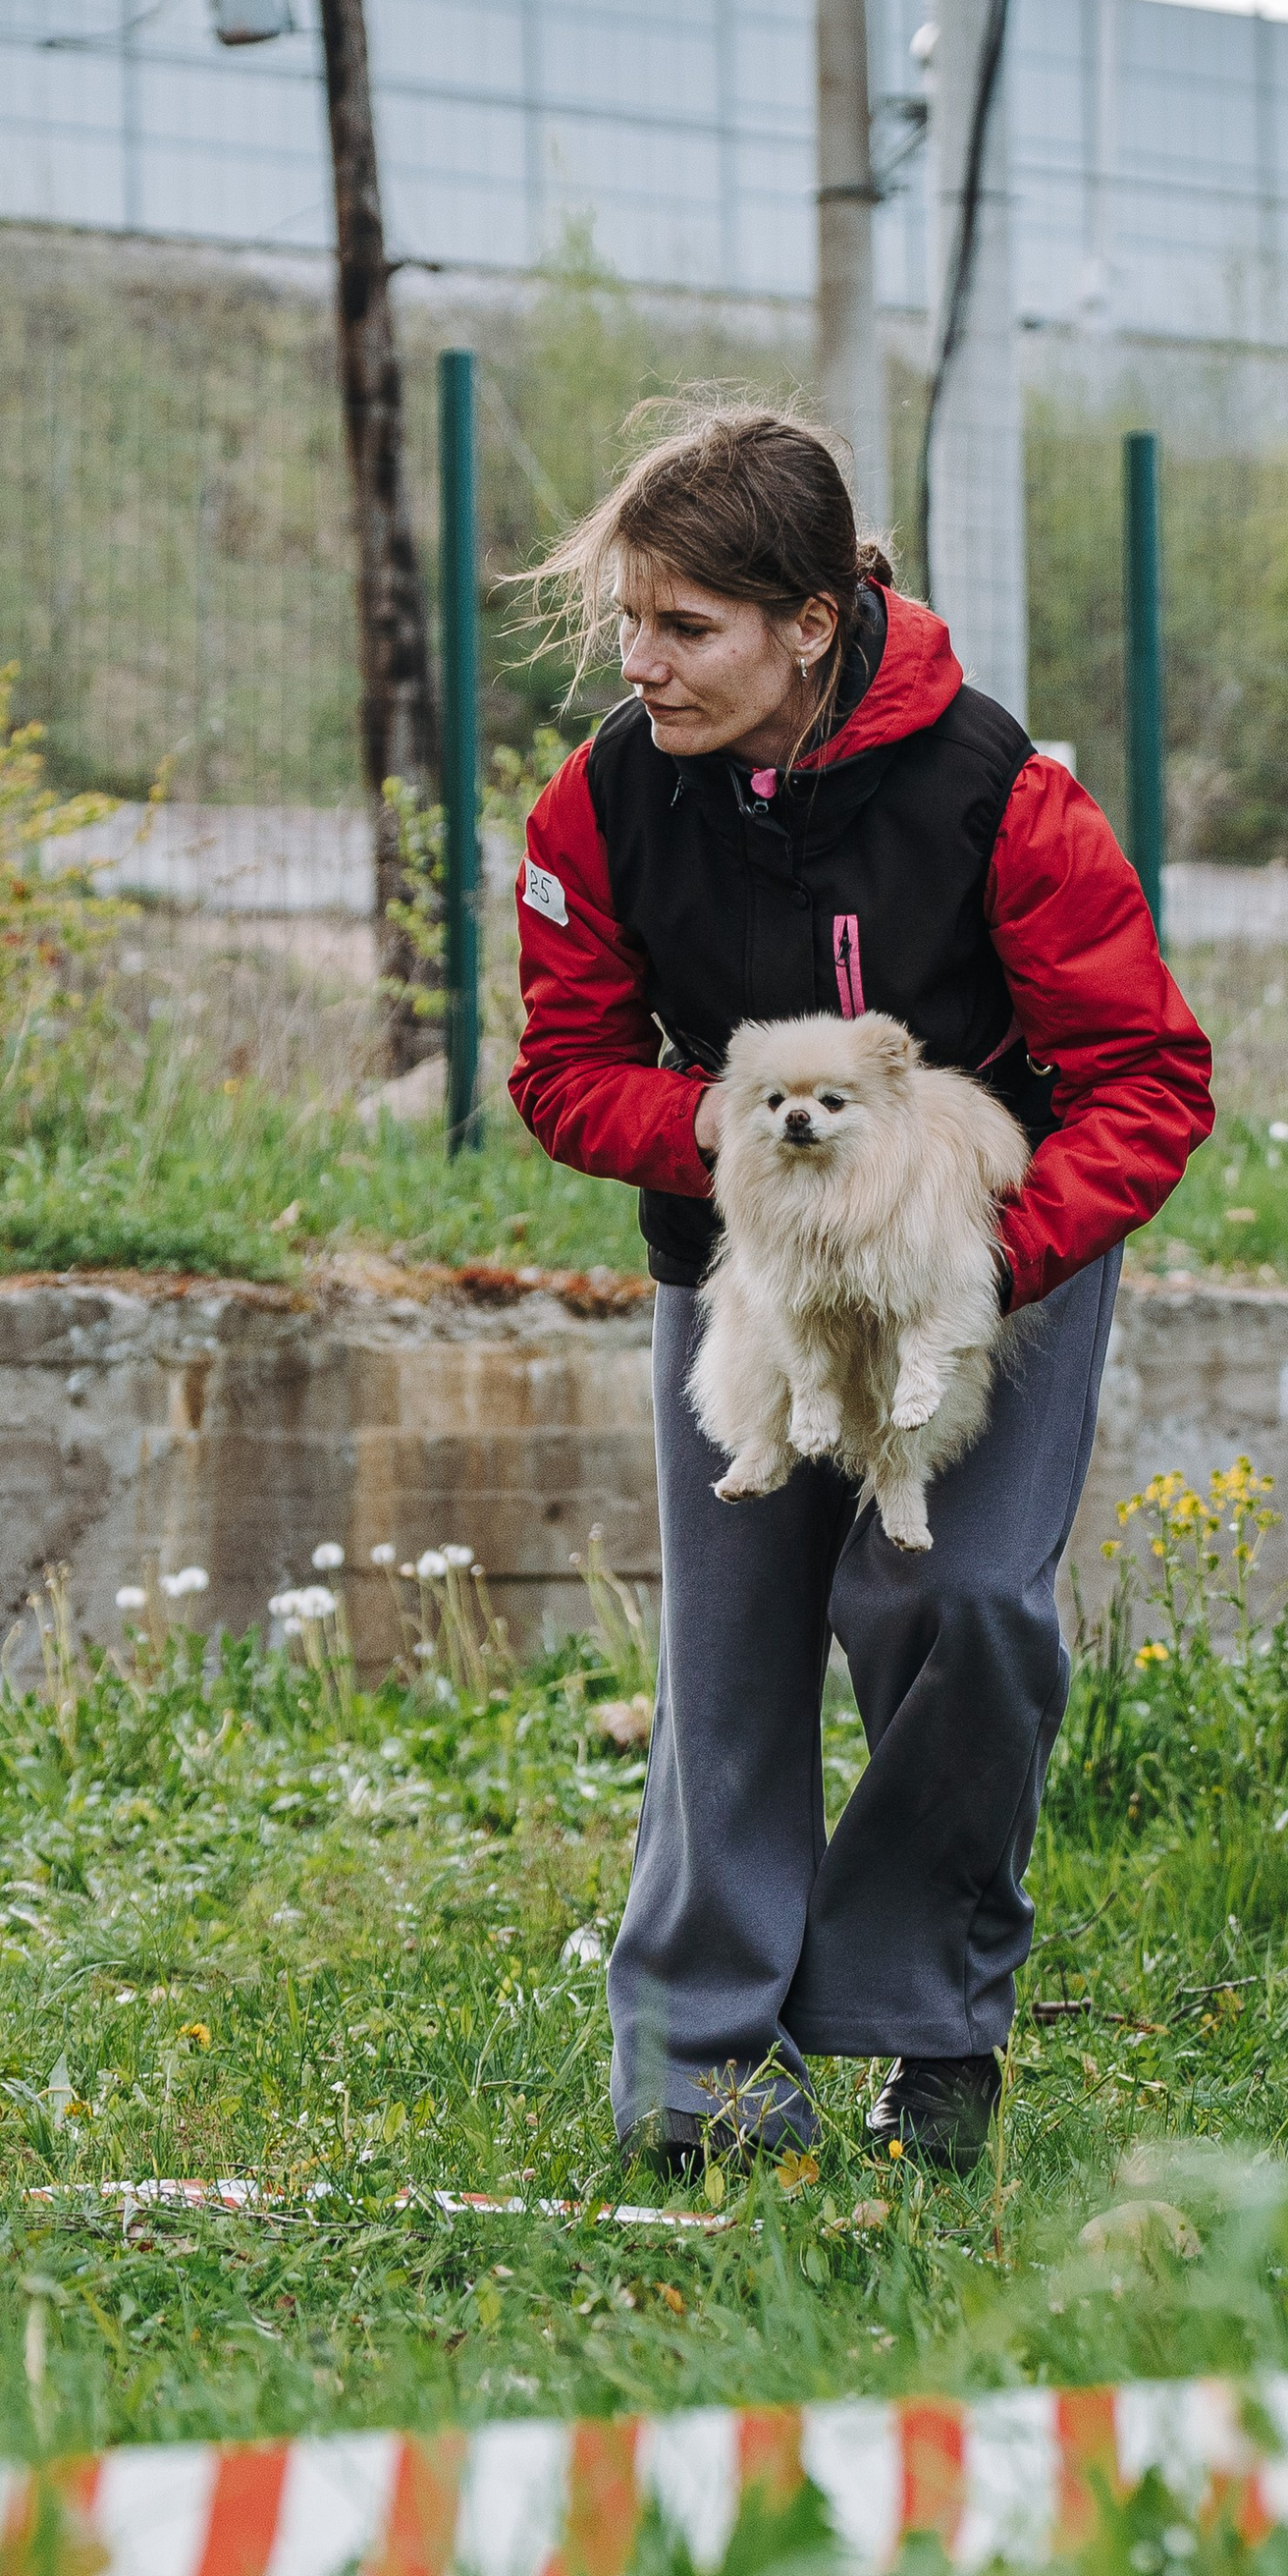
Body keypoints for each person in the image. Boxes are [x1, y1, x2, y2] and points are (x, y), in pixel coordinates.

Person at [510, 407, 1213, 2171]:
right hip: (748, 1274)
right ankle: (703, 2074)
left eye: (686, 626)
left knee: (959, 1601)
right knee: (731, 1651)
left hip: (993, 1271)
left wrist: (987, 1262)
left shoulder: (998, 793)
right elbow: (561, 1068)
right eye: (630, 620)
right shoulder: (603, 801)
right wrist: (722, 1133)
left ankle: (927, 2028)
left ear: (810, 624)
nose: (638, 662)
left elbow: (1148, 1074)